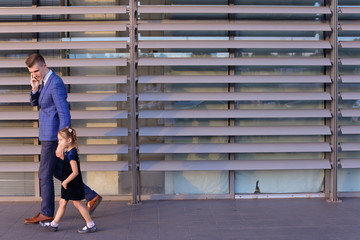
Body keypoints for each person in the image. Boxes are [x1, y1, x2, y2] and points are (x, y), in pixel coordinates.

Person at [24, 53, 102, 224]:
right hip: (48, 135)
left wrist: (62, 143)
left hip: (53, 137)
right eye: (31, 72)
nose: (34, 74)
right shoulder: (43, 82)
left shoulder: (55, 83)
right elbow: (35, 104)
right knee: (57, 171)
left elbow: (64, 114)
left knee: (44, 173)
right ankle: (91, 196)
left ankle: (46, 213)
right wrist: (35, 88)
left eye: (36, 71)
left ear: (44, 65)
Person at [40, 127, 97, 233]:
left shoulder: (71, 154)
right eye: (58, 140)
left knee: (78, 204)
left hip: (72, 184)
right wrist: (63, 159)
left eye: (61, 140)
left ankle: (91, 224)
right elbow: (69, 165)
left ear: (69, 140)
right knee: (62, 203)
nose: (59, 142)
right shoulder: (69, 152)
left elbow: (75, 172)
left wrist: (65, 182)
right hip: (69, 184)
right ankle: (54, 224)